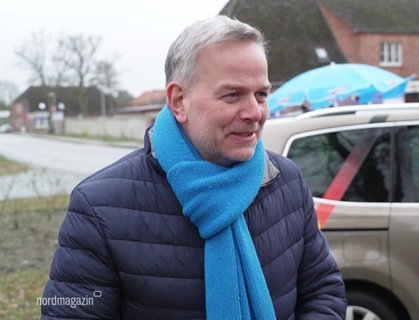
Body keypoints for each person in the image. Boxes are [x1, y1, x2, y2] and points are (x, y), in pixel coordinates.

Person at [40, 15, 346, 319]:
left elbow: (323, 291)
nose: (255, 112)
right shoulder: (99, 207)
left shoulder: (287, 181)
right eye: (233, 95)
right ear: (179, 101)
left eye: (261, 94)